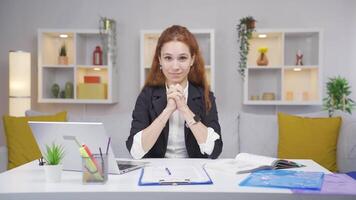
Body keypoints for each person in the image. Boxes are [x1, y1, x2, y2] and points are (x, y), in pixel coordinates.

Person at [126, 25, 222, 159]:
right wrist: (167, 111)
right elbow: (135, 151)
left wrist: (185, 109)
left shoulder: (205, 95)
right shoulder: (147, 95)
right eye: (168, 58)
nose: (175, 67)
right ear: (160, 59)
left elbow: (215, 149)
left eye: (182, 58)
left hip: (195, 171)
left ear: (192, 60)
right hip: (155, 171)